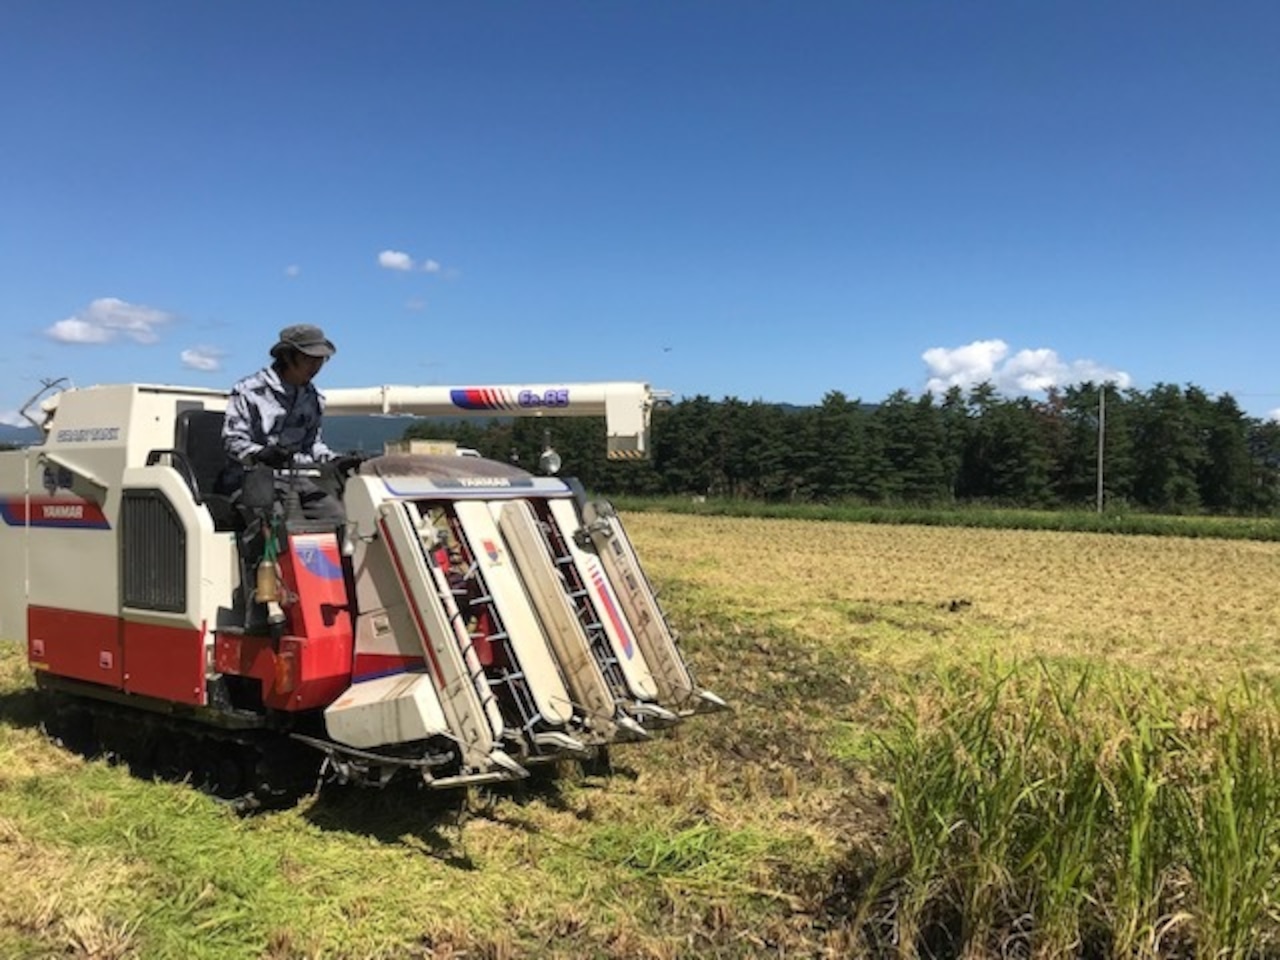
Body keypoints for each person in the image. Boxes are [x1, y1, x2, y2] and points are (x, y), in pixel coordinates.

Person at [222, 323, 353, 523]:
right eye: (307, 358)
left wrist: (336, 461)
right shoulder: (249, 391)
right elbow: (232, 441)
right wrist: (261, 455)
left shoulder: (314, 397)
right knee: (288, 528)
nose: (315, 366)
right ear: (287, 356)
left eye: (320, 359)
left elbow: (312, 446)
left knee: (340, 519)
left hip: (300, 480)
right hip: (251, 480)